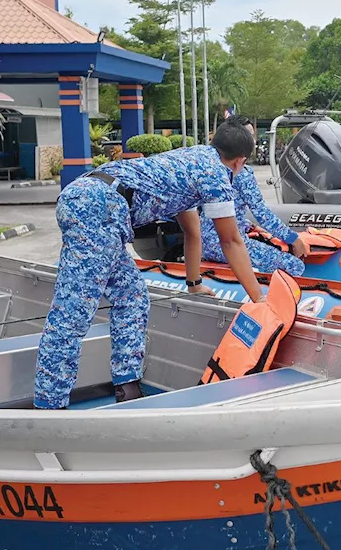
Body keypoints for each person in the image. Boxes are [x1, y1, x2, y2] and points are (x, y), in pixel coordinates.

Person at [33, 122, 265, 410]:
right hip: (98, 205)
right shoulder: (216, 175)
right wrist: (260, 300)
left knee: (132, 297)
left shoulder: (192, 159)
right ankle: (49, 405)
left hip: (99, 204)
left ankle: (127, 387)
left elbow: (192, 232)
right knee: (74, 311)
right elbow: (231, 241)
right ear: (240, 161)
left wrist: (193, 285)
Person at [200, 116, 310, 276]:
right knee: (294, 266)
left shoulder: (209, 167)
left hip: (205, 241)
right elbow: (262, 213)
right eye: (248, 136)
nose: (252, 141)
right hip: (225, 243)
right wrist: (293, 239)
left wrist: (246, 224)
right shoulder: (242, 174)